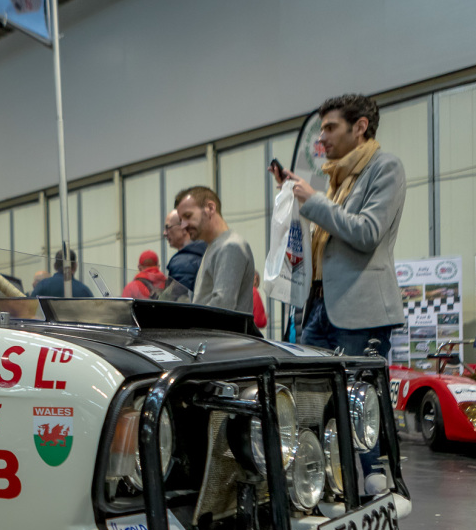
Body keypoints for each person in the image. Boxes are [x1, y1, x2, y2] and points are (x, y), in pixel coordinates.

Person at [273, 93, 405, 357]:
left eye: (330, 128)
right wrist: (297, 198)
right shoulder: (337, 178)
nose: (321, 138)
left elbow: (367, 232)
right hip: (318, 309)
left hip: (359, 317)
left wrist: (313, 200)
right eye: (321, 129)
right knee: (312, 385)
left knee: (354, 386)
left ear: (360, 127)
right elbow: (332, 232)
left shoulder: (385, 167)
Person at [173, 186, 254, 313]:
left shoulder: (230, 246)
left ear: (210, 208)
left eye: (188, 216)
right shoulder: (215, 247)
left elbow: (222, 306)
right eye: (181, 220)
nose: (183, 225)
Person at [163, 209, 206, 293]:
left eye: (168, 227)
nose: (164, 233)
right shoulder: (204, 252)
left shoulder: (181, 263)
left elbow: (177, 298)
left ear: (184, 227)